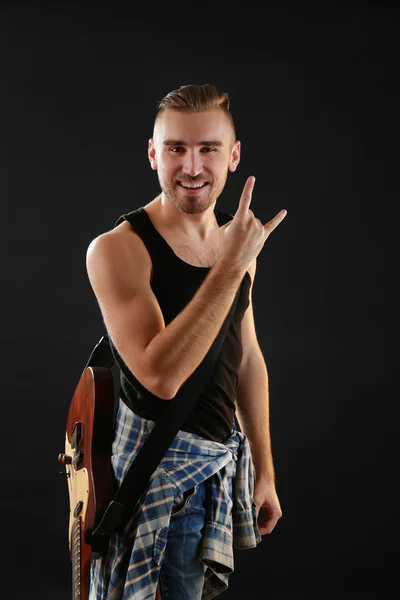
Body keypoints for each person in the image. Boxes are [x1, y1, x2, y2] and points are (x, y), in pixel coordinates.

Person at [85, 83, 286, 600]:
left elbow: (246, 358)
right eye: (175, 148)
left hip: (217, 477)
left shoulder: (238, 243)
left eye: (208, 149)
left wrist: (264, 470)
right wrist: (232, 264)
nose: (192, 167)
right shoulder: (117, 250)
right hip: (158, 487)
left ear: (234, 156)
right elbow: (160, 376)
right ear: (153, 154)